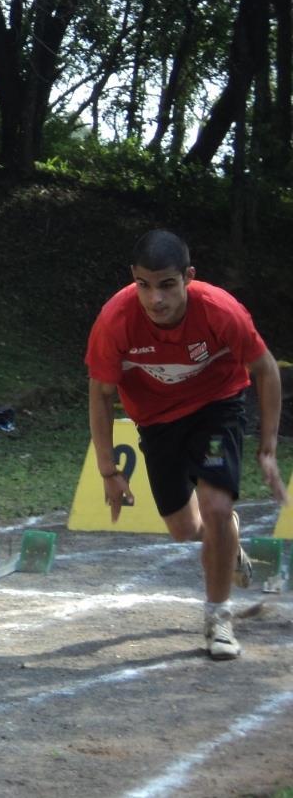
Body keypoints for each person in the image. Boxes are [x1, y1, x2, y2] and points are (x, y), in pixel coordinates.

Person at [86, 229, 288, 660]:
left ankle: (218, 618)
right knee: (184, 529)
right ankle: (226, 541)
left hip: (216, 407)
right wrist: (109, 469)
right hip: (156, 421)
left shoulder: (220, 311)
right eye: (144, 285)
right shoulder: (115, 319)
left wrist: (267, 447)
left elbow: (266, 369)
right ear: (133, 279)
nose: (155, 299)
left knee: (216, 507)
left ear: (188, 277)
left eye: (167, 285)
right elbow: (101, 394)